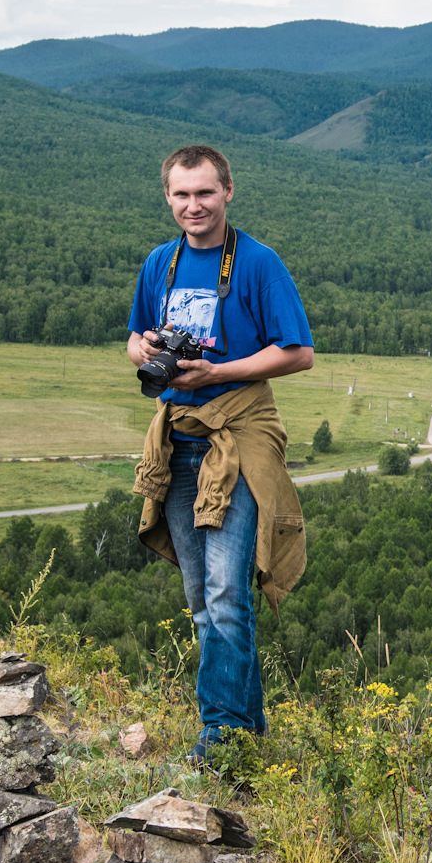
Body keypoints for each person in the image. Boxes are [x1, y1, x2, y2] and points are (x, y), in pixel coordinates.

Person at [128, 144, 312, 764]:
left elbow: (297, 352)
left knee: (228, 588)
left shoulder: (259, 264)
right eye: (181, 195)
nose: (193, 206)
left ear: (228, 191)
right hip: (178, 437)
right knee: (200, 595)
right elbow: (133, 339)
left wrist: (219, 372)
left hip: (238, 432)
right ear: (168, 198)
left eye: (204, 193)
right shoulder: (162, 262)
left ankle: (221, 738)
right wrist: (153, 351)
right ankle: (246, 728)